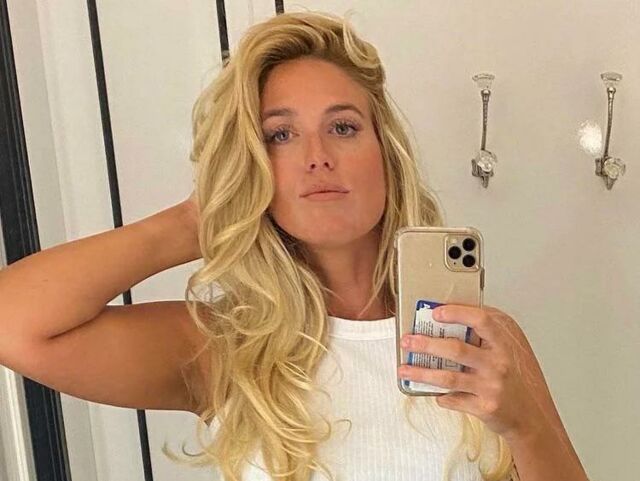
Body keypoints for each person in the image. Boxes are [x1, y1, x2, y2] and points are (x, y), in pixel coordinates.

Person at [0, 10, 588, 481]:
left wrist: (525, 426)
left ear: (385, 153)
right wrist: (198, 220)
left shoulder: (485, 338)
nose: (317, 156)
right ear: (254, 165)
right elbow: (14, 323)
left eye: (343, 127)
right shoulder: (222, 347)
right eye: (280, 135)